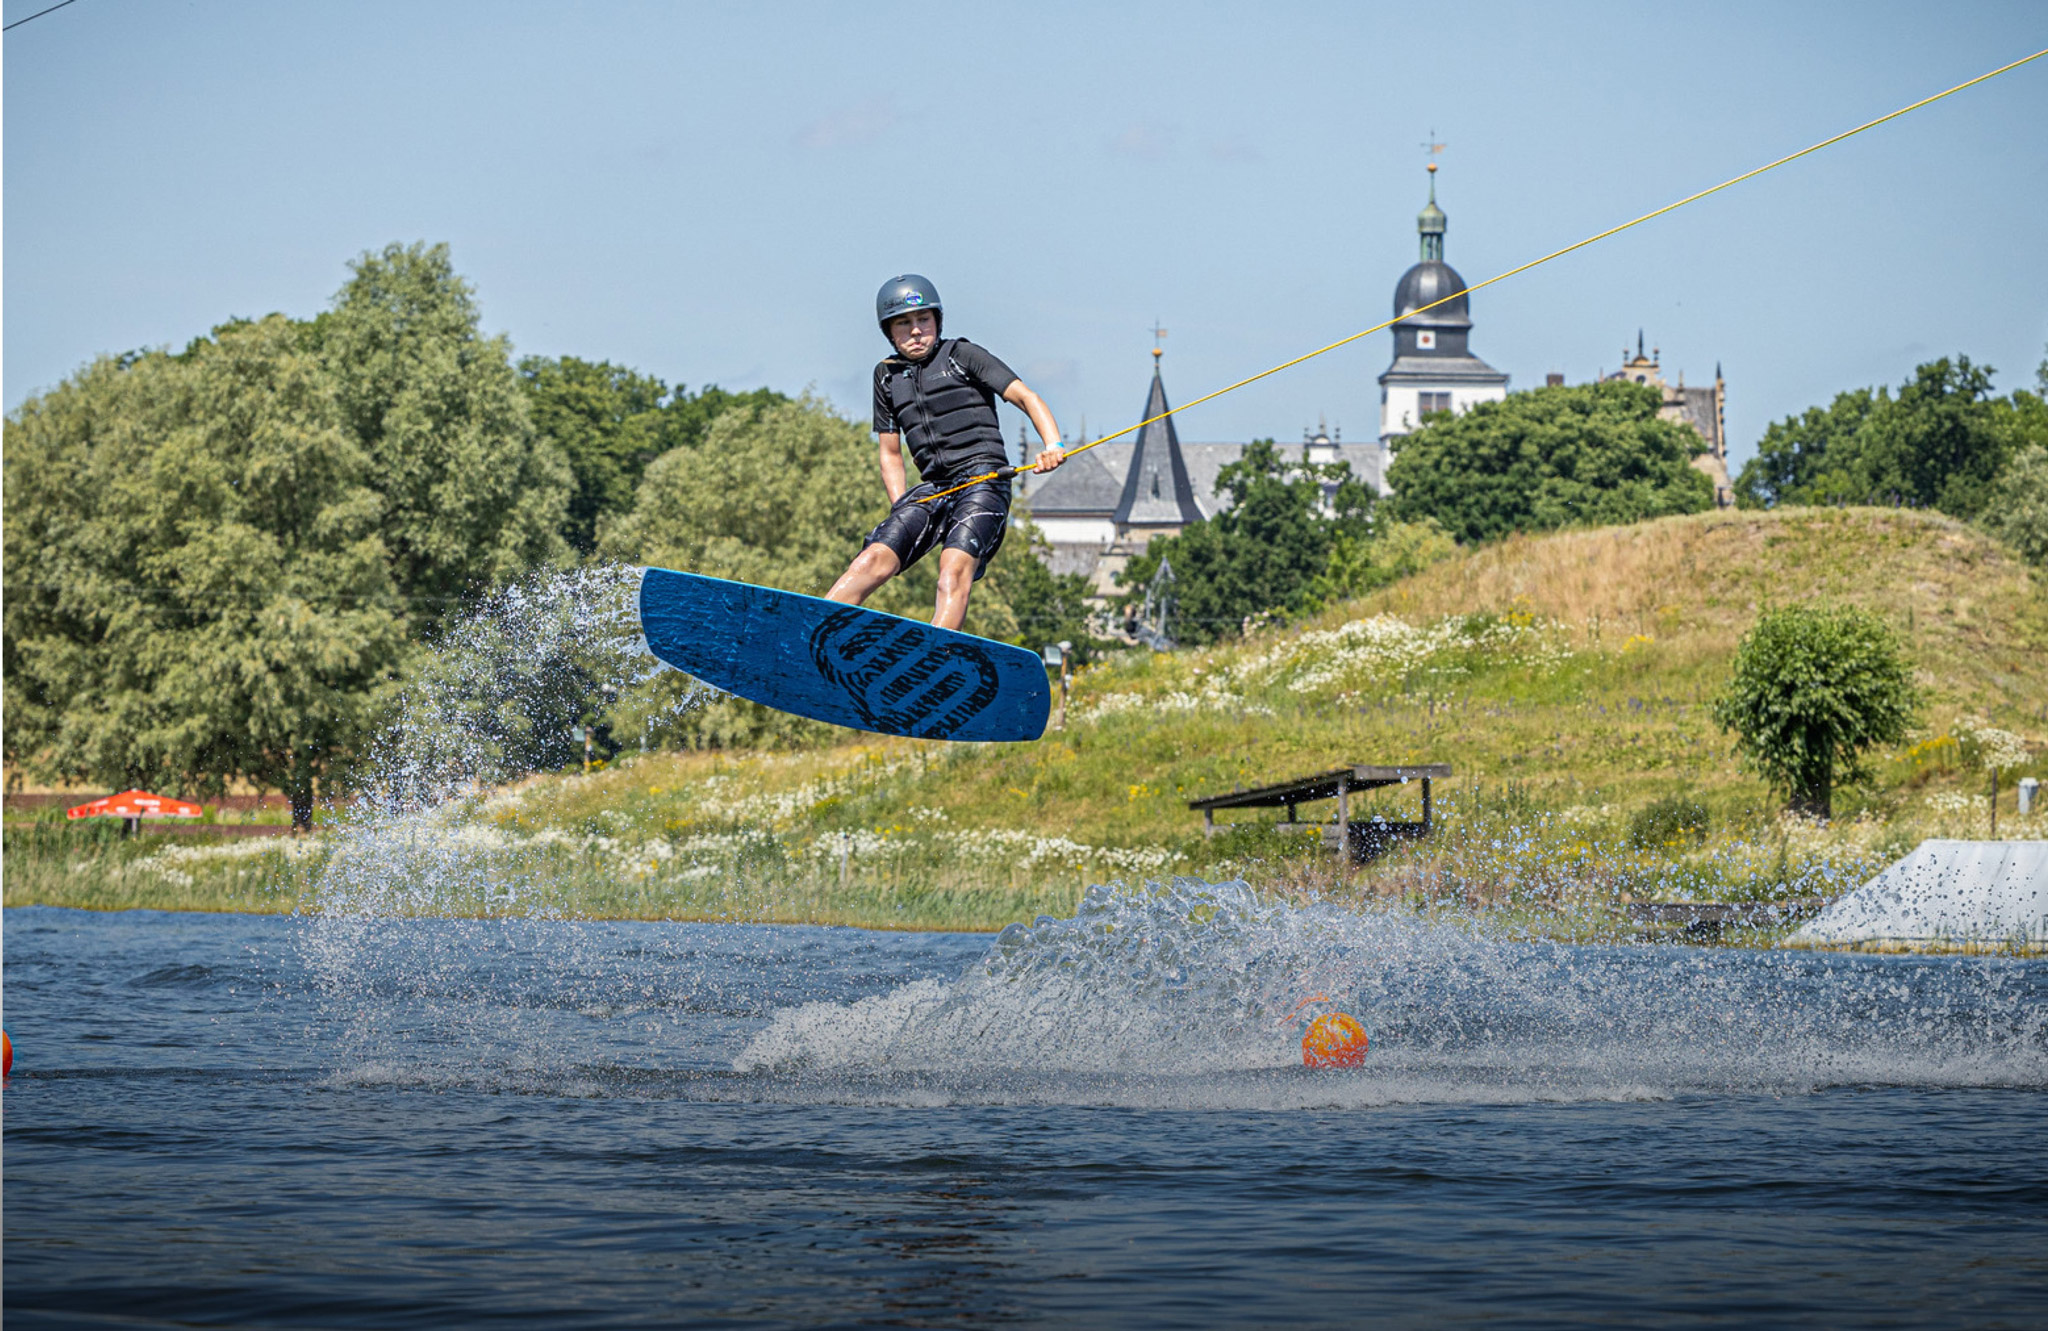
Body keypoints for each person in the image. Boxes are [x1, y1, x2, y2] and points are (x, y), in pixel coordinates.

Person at [823, 274, 1066, 631]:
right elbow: (890, 453)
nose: (917, 330)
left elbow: (1026, 397)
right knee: (871, 560)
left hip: (984, 482)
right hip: (935, 487)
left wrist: (1053, 445)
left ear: (937, 320)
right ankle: (814, 629)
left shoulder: (963, 355)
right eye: (904, 323)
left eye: (924, 319)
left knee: (952, 570)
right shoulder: (887, 377)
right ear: (890, 332)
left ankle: (933, 656)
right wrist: (901, 506)